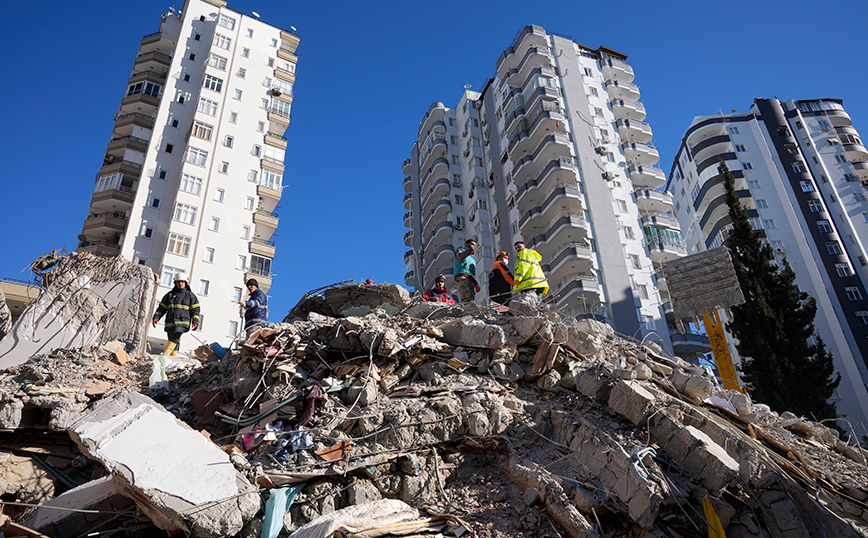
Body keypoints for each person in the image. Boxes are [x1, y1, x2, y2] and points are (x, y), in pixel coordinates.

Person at [152, 273, 200, 356]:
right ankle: (173, 359)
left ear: (185, 283)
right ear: (175, 283)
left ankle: (165, 355)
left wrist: (195, 321)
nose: (180, 284)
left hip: (182, 323)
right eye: (178, 282)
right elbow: (161, 308)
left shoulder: (190, 296)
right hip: (170, 323)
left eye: (182, 282)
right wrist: (156, 317)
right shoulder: (169, 295)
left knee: (175, 335)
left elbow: (196, 310)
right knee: (174, 341)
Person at [453, 239, 480, 304]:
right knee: (466, 297)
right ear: (466, 244)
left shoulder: (471, 258)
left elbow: (472, 272)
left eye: (474, 245)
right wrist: (471, 249)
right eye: (472, 244)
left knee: (471, 299)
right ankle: (466, 312)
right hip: (462, 277)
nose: (473, 246)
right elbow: (461, 257)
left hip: (470, 279)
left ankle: (470, 312)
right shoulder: (461, 251)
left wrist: (475, 283)